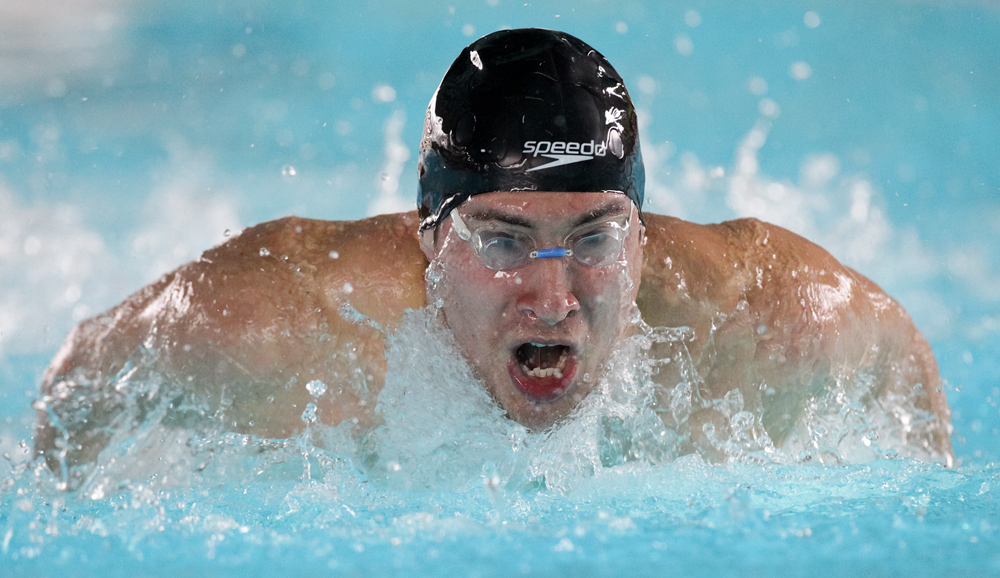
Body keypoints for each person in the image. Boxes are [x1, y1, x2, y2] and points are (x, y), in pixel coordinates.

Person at [34, 29, 953, 482]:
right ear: (429, 236)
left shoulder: (772, 318)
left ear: (642, 228)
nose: (552, 297)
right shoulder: (282, 324)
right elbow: (77, 383)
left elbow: (913, 408)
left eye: (594, 235)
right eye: (504, 240)